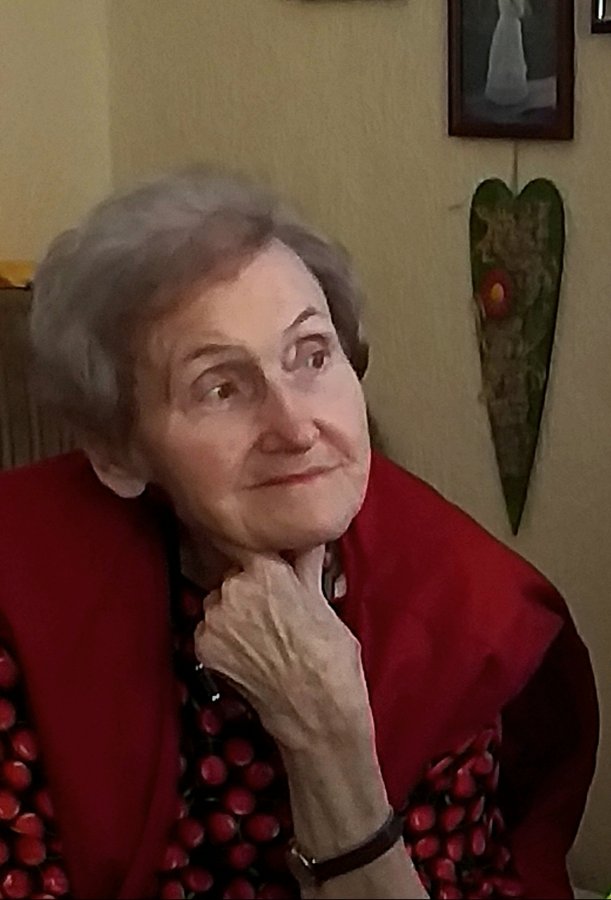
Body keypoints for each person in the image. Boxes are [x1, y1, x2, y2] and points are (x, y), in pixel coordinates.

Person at [0, 168, 597, 900]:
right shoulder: (21, 585)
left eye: (312, 355)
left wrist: (327, 739)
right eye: (221, 387)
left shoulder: (462, 611)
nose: (295, 427)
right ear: (119, 453)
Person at [485, 0, 529, 106]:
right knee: (509, 55)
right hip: (510, 26)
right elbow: (519, 12)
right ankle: (505, 90)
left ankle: (508, 88)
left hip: (506, 25)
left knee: (507, 55)